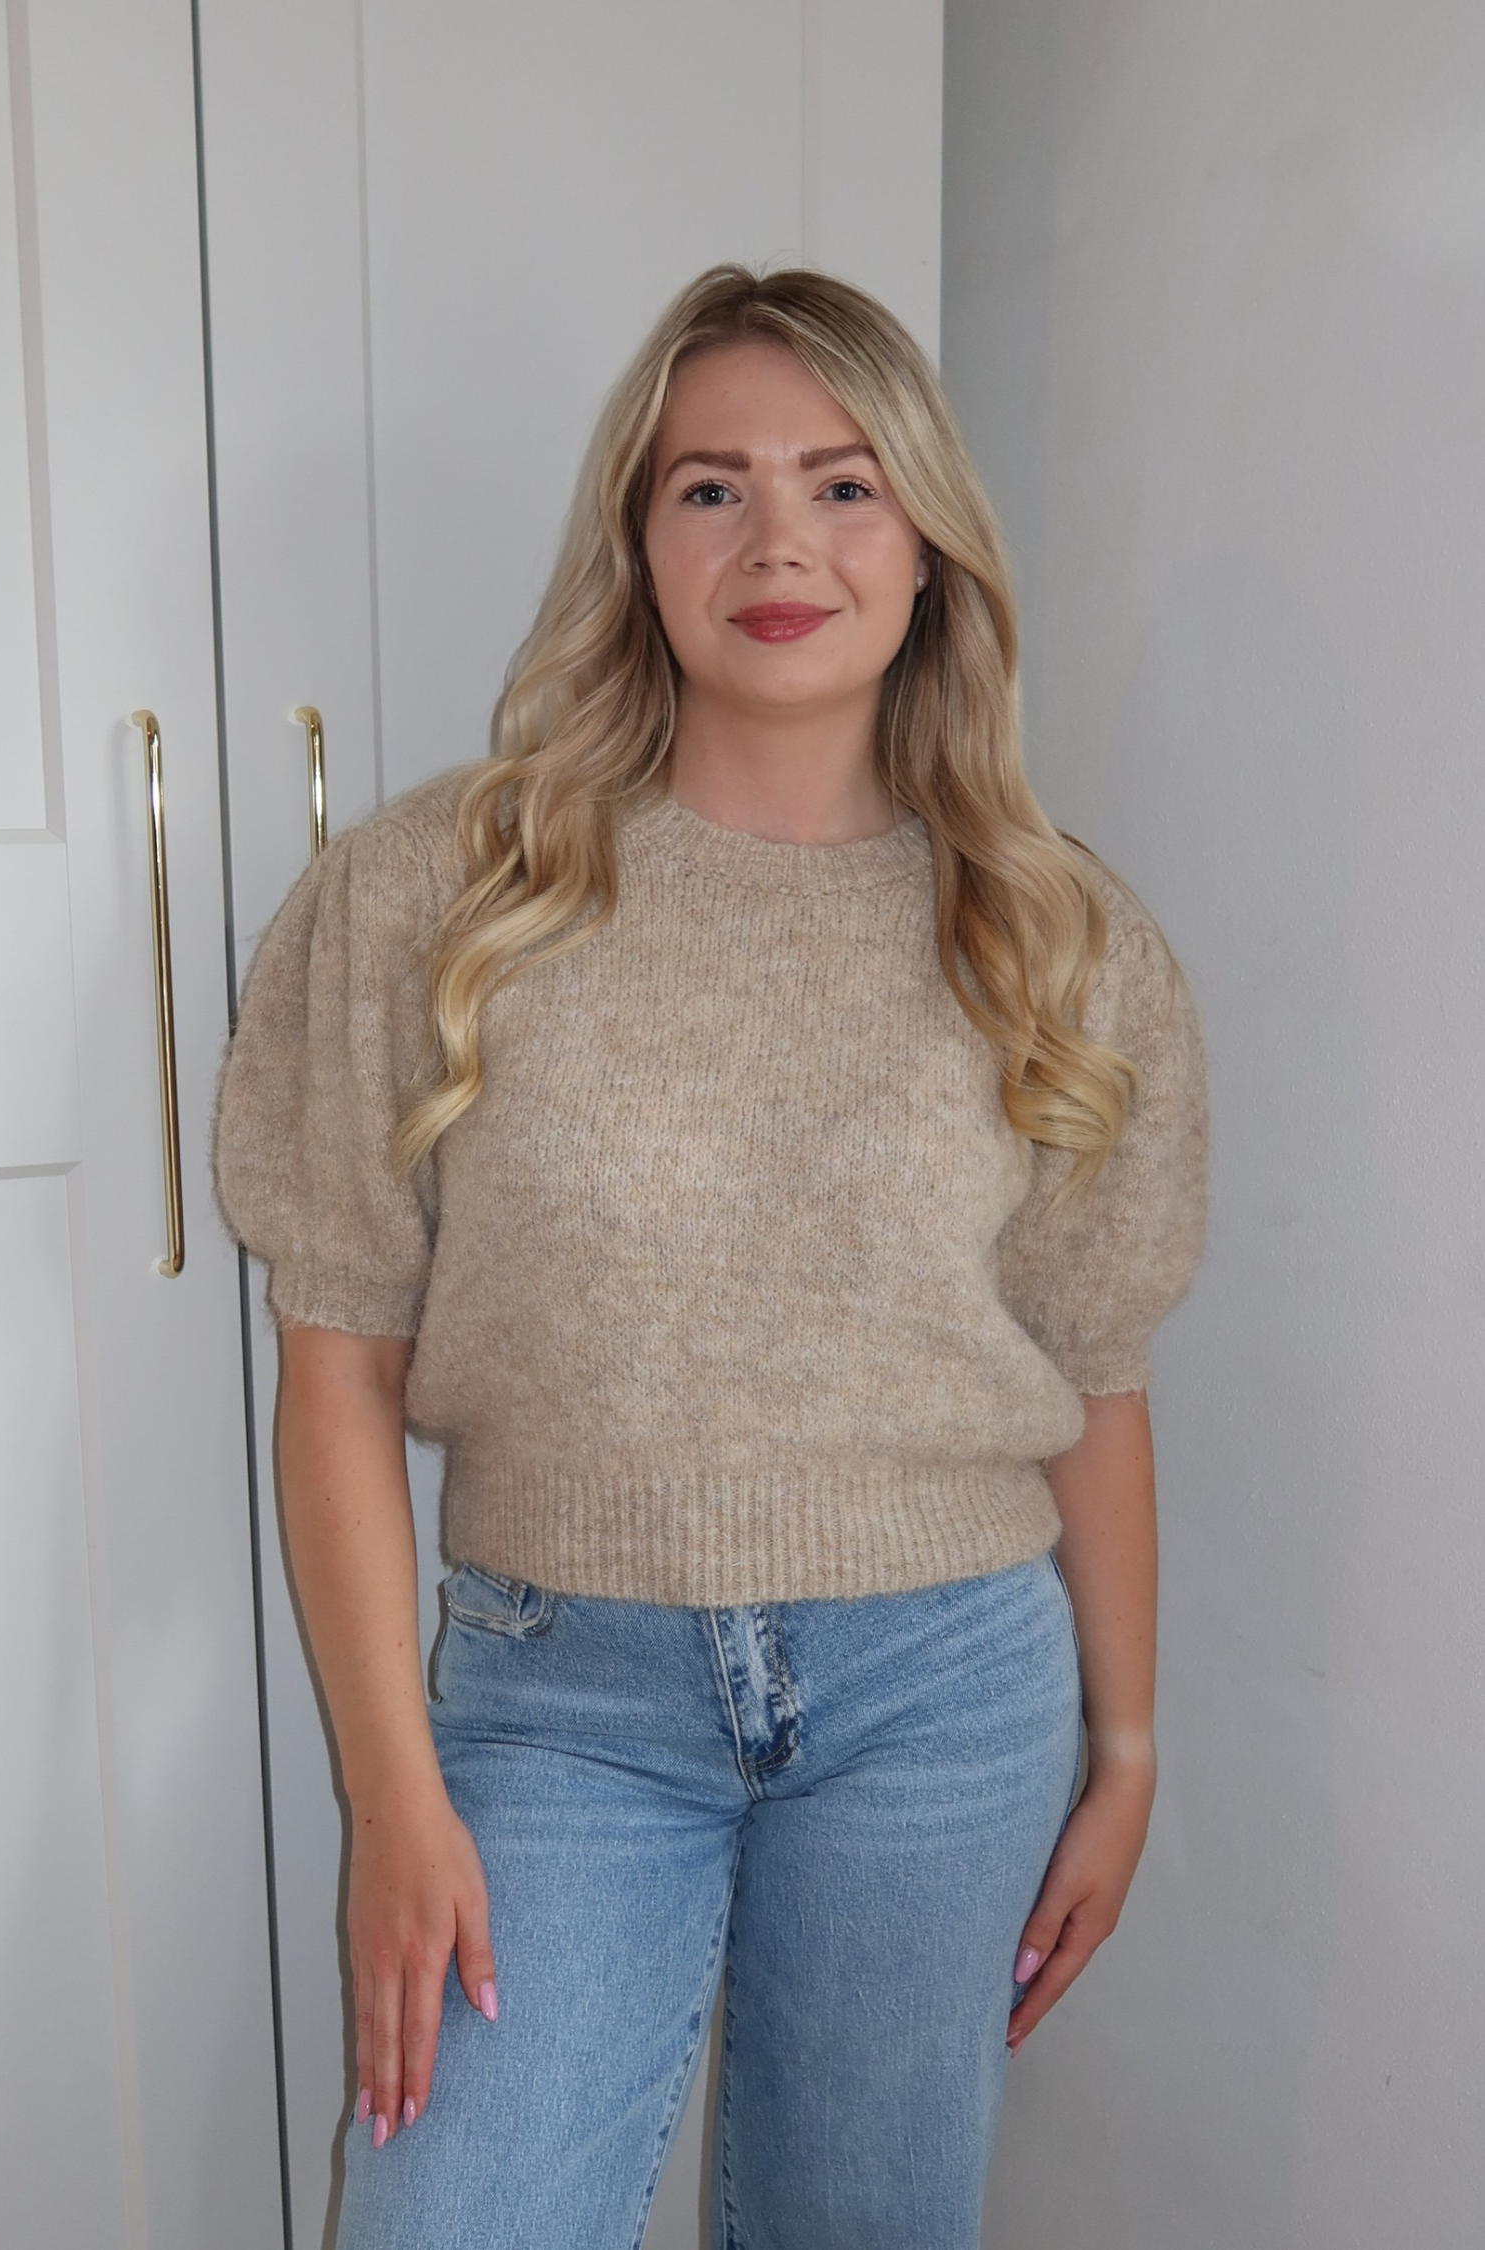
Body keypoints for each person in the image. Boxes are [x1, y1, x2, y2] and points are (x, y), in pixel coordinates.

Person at [213, 262, 1209, 2250]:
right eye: (711, 488)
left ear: (928, 545)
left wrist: (1126, 1748)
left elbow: (1096, 1375)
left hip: (948, 1690)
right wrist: (394, 1803)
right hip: (558, 1699)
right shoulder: (436, 894)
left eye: (844, 486)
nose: (779, 544)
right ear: (637, 541)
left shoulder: (1059, 939)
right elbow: (337, 1362)